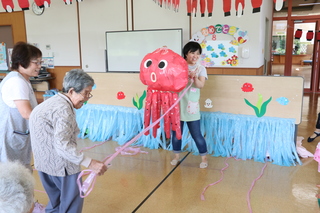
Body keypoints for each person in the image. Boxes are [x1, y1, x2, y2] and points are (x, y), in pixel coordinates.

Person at [29, 69, 107, 212]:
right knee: (71, 204)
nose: (88, 97)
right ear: (71, 91)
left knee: (56, 202)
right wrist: (90, 163)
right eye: (85, 93)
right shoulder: (63, 109)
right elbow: (62, 146)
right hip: (62, 166)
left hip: (44, 164)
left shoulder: (51, 102)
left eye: (89, 93)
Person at [0, 42, 42, 170]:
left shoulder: (23, 79)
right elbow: (27, 113)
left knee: (21, 174)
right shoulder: (16, 81)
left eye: (40, 62)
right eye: (36, 62)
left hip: (19, 134)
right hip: (13, 135)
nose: (39, 66)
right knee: (15, 177)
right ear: (21, 62)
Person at [171, 41, 208, 169]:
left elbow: (201, 85)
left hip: (192, 107)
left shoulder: (201, 69)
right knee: (176, 134)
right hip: (177, 106)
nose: (195, 56)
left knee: (196, 134)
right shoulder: (178, 67)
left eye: (198, 54)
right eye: (192, 52)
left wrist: (194, 78)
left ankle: (204, 158)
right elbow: (172, 84)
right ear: (186, 54)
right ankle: (176, 157)